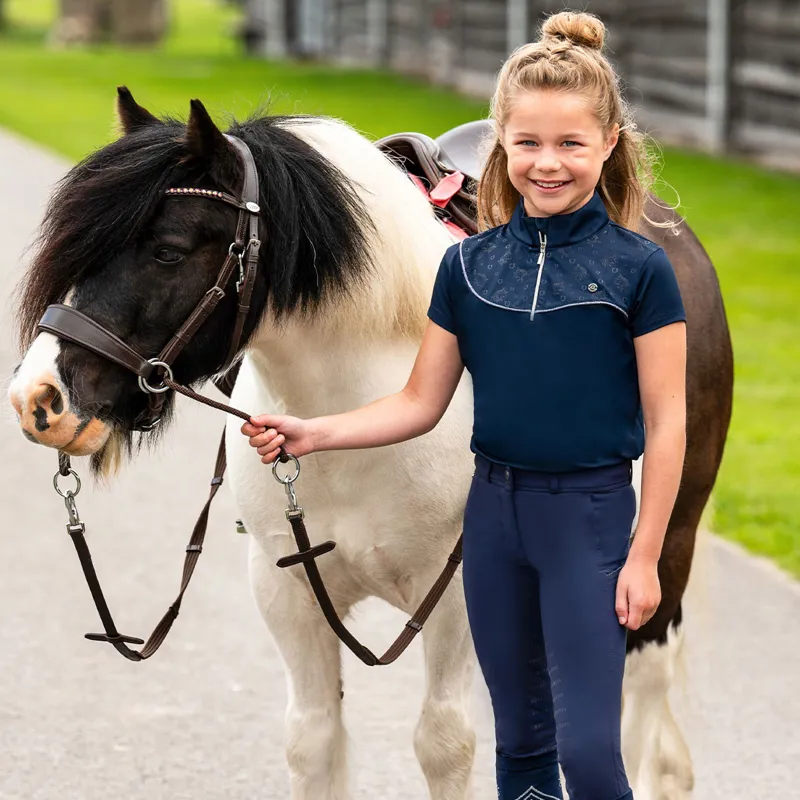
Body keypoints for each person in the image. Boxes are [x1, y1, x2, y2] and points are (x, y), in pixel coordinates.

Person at [241, 11, 687, 800]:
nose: (547, 164)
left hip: (588, 521)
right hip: (493, 524)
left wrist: (645, 553)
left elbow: (667, 420)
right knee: (519, 745)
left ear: (609, 143)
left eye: (571, 144)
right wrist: (315, 431)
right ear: (501, 142)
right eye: (528, 143)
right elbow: (418, 401)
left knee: (586, 754)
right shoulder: (467, 267)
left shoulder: (640, 270)